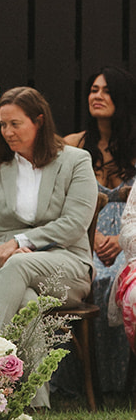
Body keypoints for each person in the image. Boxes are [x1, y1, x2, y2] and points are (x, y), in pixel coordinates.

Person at [0, 86, 97, 387]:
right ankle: (35, 400)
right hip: (8, 270)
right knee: (27, 301)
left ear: (38, 121)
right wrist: (4, 251)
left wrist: (21, 244)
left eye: (16, 124)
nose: (7, 132)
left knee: (18, 266)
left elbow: (75, 223)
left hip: (67, 266)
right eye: (3, 124)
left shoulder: (76, 161)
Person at [62, 68, 136, 395]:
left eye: (106, 91)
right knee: (88, 278)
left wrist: (122, 241)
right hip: (82, 235)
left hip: (128, 238)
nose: (97, 96)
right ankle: (84, 384)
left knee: (115, 282)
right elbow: (59, 201)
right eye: (93, 89)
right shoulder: (72, 145)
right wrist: (88, 235)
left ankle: (118, 387)